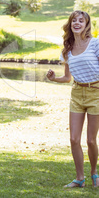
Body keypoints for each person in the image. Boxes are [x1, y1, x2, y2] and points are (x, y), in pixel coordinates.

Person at [47, 10, 99, 188]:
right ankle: (79, 178)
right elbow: (67, 78)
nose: (77, 23)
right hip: (77, 94)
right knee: (74, 139)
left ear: (86, 25)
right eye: (74, 20)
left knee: (91, 140)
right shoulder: (67, 49)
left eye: (81, 21)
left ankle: (94, 173)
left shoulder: (95, 44)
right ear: (70, 24)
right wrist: (54, 78)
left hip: (96, 94)